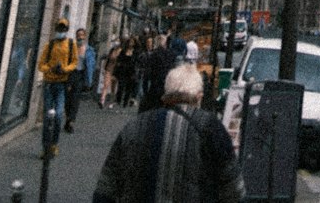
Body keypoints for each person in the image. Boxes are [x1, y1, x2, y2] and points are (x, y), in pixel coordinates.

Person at [92, 62, 244, 203]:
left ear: (166, 95)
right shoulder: (211, 129)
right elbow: (234, 191)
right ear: (199, 97)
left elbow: (106, 187)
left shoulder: (135, 126)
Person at [38, 17, 78, 154]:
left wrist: (65, 69)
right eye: (59, 28)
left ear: (66, 30)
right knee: (47, 116)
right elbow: (41, 64)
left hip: (61, 84)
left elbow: (74, 62)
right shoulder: (49, 45)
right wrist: (49, 68)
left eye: (63, 29)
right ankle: (45, 147)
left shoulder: (71, 45)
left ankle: (54, 144)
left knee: (59, 115)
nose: (60, 31)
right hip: (49, 83)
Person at [66, 28, 97, 129]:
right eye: (78, 35)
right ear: (76, 36)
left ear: (85, 36)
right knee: (68, 99)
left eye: (82, 35)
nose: (80, 37)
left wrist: (89, 80)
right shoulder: (71, 48)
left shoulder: (89, 50)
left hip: (80, 75)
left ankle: (71, 121)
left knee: (75, 99)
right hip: (70, 75)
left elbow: (91, 66)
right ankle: (68, 118)